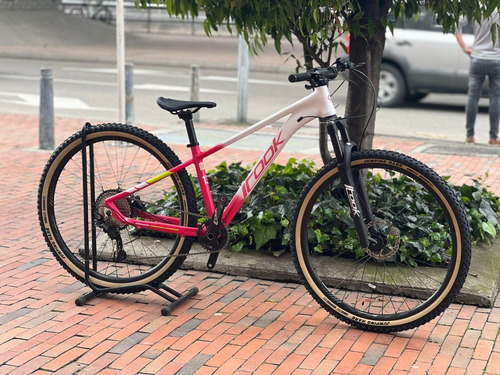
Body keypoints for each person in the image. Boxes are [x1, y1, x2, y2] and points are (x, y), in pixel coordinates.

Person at [455, 10, 500, 145]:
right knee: (496, 97)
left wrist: (464, 48)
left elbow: (455, 24)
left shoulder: (477, 8)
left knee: (473, 96)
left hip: (477, 58)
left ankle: (470, 135)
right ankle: (493, 137)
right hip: (497, 60)